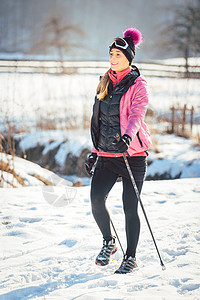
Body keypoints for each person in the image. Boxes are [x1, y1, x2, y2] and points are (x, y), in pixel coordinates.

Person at [85, 27, 152, 274]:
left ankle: (130, 257)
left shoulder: (138, 85)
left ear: (129, 59)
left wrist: (127, 136)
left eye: (118, 55)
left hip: (132, 155)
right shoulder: (104, 82)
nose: (113, 58)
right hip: (107, 154)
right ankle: (108, 241)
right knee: (95, 201)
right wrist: (94, 150)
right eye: (111, 54)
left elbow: (137, 115)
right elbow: (99, 121)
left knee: (129, 207)